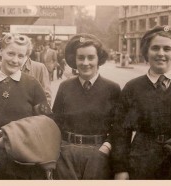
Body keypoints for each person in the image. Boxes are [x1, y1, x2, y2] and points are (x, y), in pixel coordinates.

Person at [0, 33, 52, 179]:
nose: (15, 60)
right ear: (1, 52)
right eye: (10, 53)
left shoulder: (33, 84)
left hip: (26, 158)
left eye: (21, 56)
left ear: (26, 57)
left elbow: (46, 122)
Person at [112, 25, 171, 180]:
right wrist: (121, 169)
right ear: (146, 52)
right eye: (155, 48)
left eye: (167, 48)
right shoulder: (133, 87)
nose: (161, 54)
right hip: (142, 162)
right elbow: (120, 132)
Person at [52, 33, 121, 179]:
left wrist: (106, 148)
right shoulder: (65, 87)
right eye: (81, 57)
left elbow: (119, 126)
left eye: (91, 57)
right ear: (74, 60)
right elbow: (55, 122)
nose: (85, 62)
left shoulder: (112, 88)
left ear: (99, 59)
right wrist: (59, 149)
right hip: (67, 154)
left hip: (98, 154)